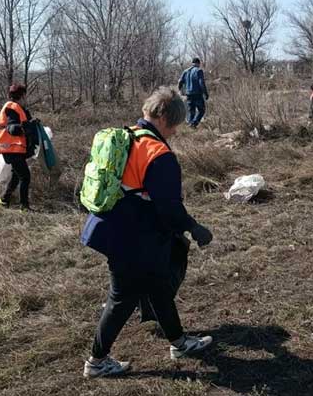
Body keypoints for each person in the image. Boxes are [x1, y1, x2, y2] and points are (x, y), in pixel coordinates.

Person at [82, 87, 214, 378]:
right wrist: (194, 227)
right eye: (175, 125)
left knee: (157, 284)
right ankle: (96, 362)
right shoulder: (157, 153)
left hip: (115, 227)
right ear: (164, 119)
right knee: (122, 297)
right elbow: (169, 207)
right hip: (131, 237)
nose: (175, 132)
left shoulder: (127, 136)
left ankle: (179, 343)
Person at [0, 84, 34, 211]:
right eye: (25, 95)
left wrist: (31, 124)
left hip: (12, 148)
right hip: (11, 149)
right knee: (25, 176)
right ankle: (24, 207)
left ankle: (4, 200)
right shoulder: (12, 107)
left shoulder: (16, 108)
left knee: (17, 175)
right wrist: (22, 128)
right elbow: (12, 127)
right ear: (22, 96)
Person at [178, 57, 209, 128]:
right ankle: (194, 124)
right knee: (202, 110)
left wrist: (180, 91)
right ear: (198, 63)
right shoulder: (199, 70)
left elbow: (180, 82)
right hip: (197, 94)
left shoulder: (185, 71)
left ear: (192, 63)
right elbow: (201, 83)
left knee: (191, 111)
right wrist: (205, 93)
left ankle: (190, 125)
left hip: (188, 94)